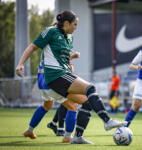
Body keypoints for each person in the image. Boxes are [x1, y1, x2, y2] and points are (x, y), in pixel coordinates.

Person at [16, 10, 127, 144]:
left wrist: (71, 60)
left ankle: (77, 136)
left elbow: (63, 58)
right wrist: (20, 64)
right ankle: (107, 121)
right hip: (55, 76)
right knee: (90, 88)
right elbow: (32, 47)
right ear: (67, 23)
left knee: (86, 101)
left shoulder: (69, 38)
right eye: (75, 24)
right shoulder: (50, 31)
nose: (76, 27)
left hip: (63, 74)